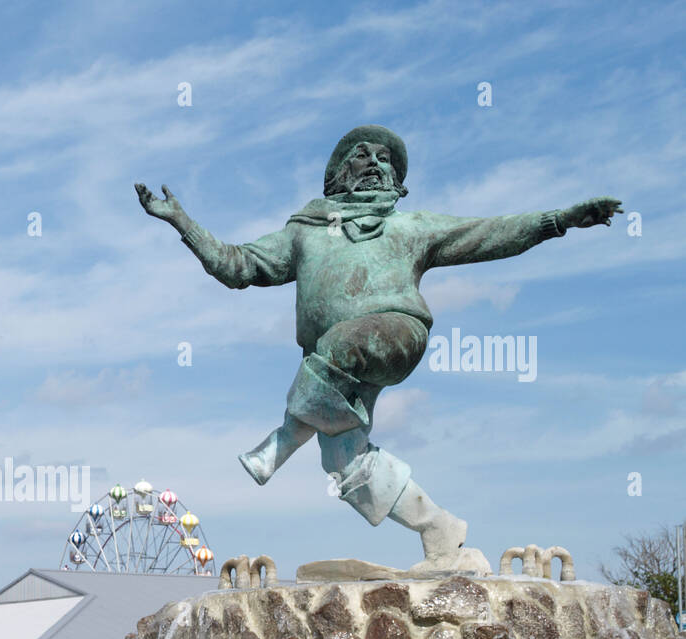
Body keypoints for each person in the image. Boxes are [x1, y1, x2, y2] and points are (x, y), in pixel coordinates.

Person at [136, 125, 621, 570]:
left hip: (394, 334)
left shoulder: (411, 228)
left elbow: (489, 234)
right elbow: (236, 266)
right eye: (360, 155)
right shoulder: (304, 232)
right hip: (330, 368)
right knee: (346, 465)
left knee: (342, 341)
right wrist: (182, 222)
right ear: (337, 176)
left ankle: (284, 440)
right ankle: (440, 530)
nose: (373, 162)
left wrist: (560, 220)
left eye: (384, 158)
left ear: (397, 180)